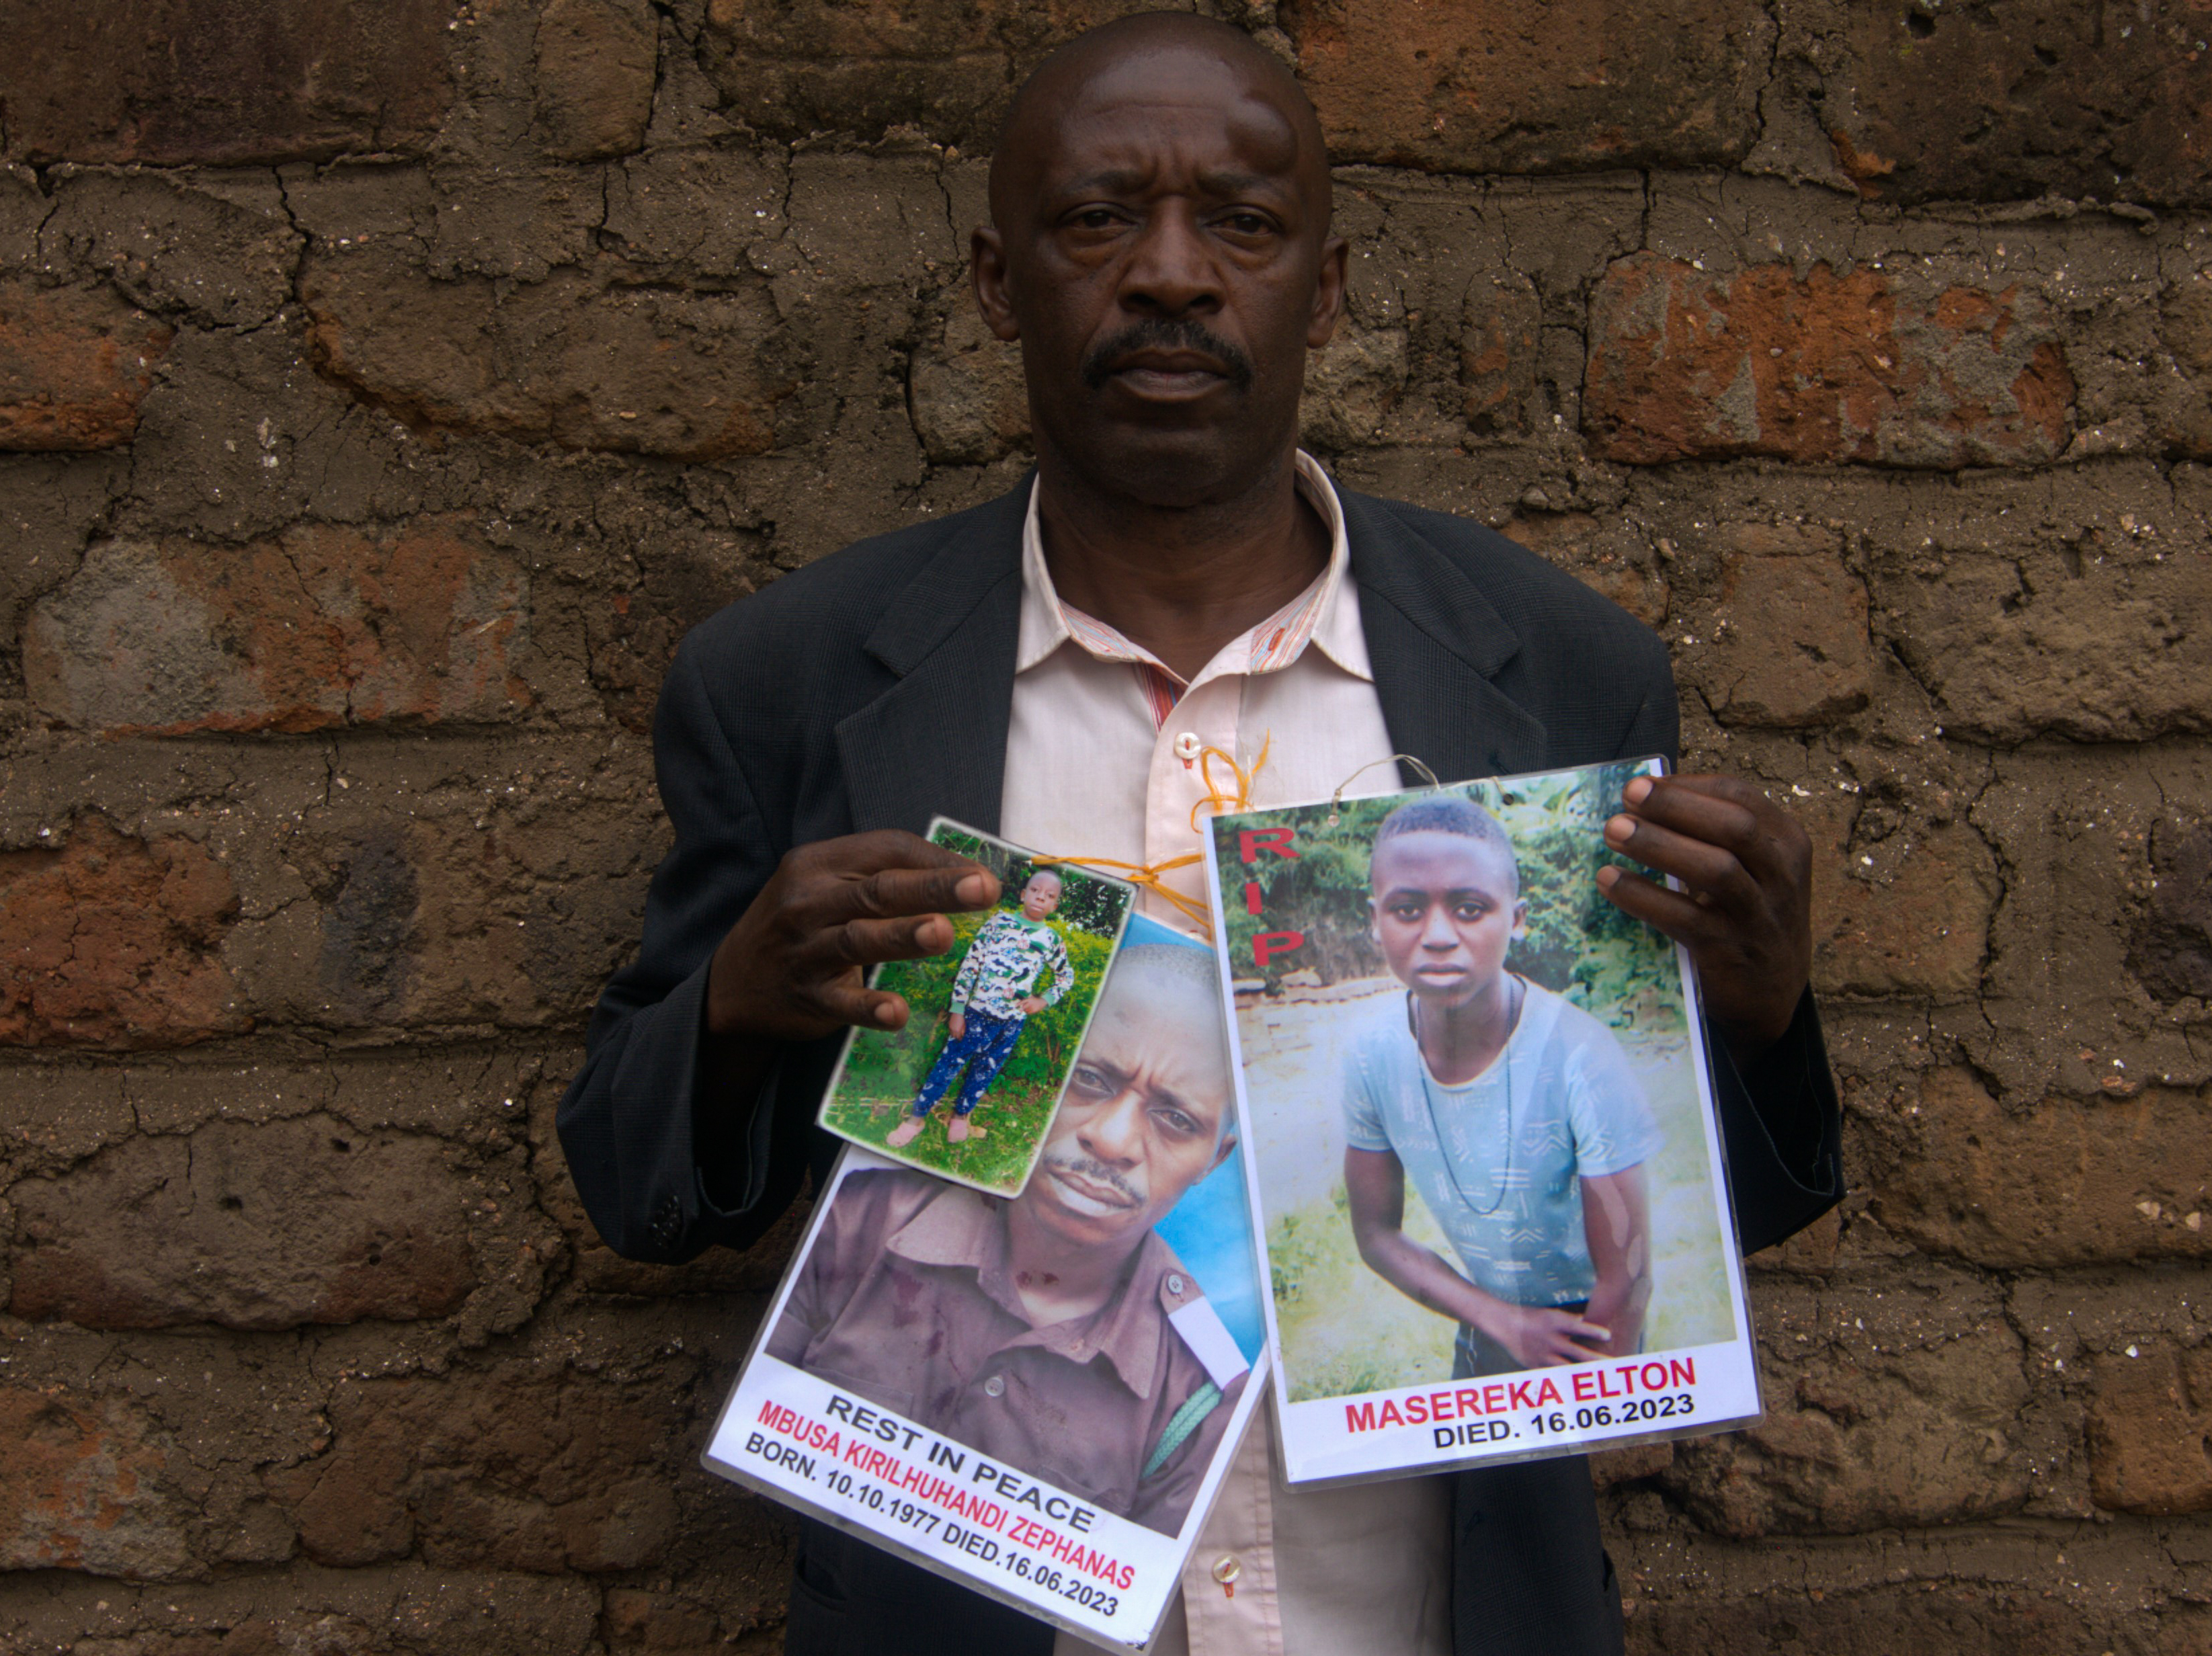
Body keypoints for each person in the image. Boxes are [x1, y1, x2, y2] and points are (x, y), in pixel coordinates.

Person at [557, 13, 1841, 1655]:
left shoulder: (1557, 669)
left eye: (1240, 222)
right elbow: (639, 1185)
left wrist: (1753, 1014)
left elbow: (1696, 1218)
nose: (1169, 274)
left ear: (1329, 279)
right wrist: (741, 1008)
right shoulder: (796, 685)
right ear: (995, 281)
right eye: (1098, 220)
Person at [776, 943, 1248, 1536]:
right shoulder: (862, 1219)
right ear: (1041, 1065)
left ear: (1215, 1158)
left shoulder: (1198, 1397)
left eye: (1176, 1120)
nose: (1112, 1140)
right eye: (1089, 1079)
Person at [1343, 797, 1661, 1378]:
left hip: (1594, 1328)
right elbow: (1375, 1234)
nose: (1438, 935)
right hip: (1484, 1322)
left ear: (1517, 918)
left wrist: (1601, 1388)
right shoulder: (1372, 1055)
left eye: (1470, 908)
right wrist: (1500, 1321)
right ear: (1374, 920)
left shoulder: (1582, 1057)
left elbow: (1627, 1277)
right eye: (1407, 909)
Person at [887, 868, 1073, 1148]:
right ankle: (916, 1119)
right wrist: (958, 1009)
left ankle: (960, 1117)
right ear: (1023, 895)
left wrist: (1043, 999)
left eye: (1049, 896)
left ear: (1055, 905)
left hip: (1011, 1023)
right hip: (975, 1014)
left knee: (985, 1071)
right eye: (1035, 891)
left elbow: (1065, 976)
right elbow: (971, 964)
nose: (1040, 898)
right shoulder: (998, 923)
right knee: (947, 1066)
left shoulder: (1052, 940)